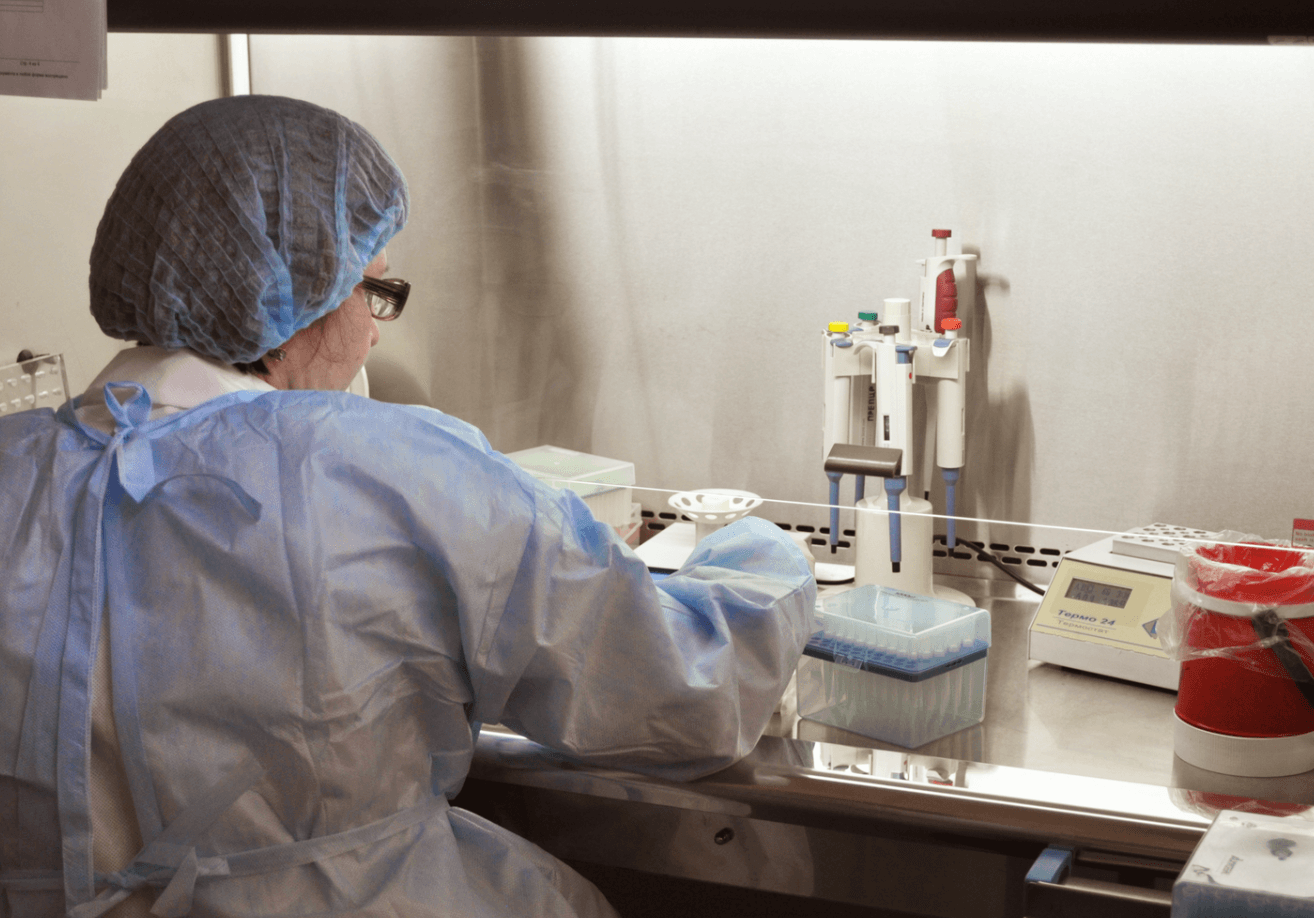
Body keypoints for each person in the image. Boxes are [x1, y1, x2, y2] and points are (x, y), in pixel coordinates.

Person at [0, 95, 816, 917]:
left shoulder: (15, 469)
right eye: (375, 288)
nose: (375, 332)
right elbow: (685, 694)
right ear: (299, 291)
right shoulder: (392, 473)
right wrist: (765, 553)